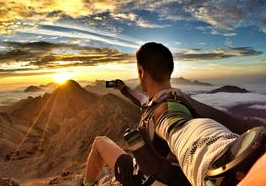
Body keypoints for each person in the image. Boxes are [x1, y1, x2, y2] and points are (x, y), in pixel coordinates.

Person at [82, 42, 257, 186]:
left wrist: (219, 155)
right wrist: (122, 88)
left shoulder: (166, 111)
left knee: (100, 142)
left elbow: (179, 127)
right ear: (169, 71)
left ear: (141, 72)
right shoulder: (168, 99)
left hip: (143, 179)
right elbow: (143, 101)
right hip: (161, 174)